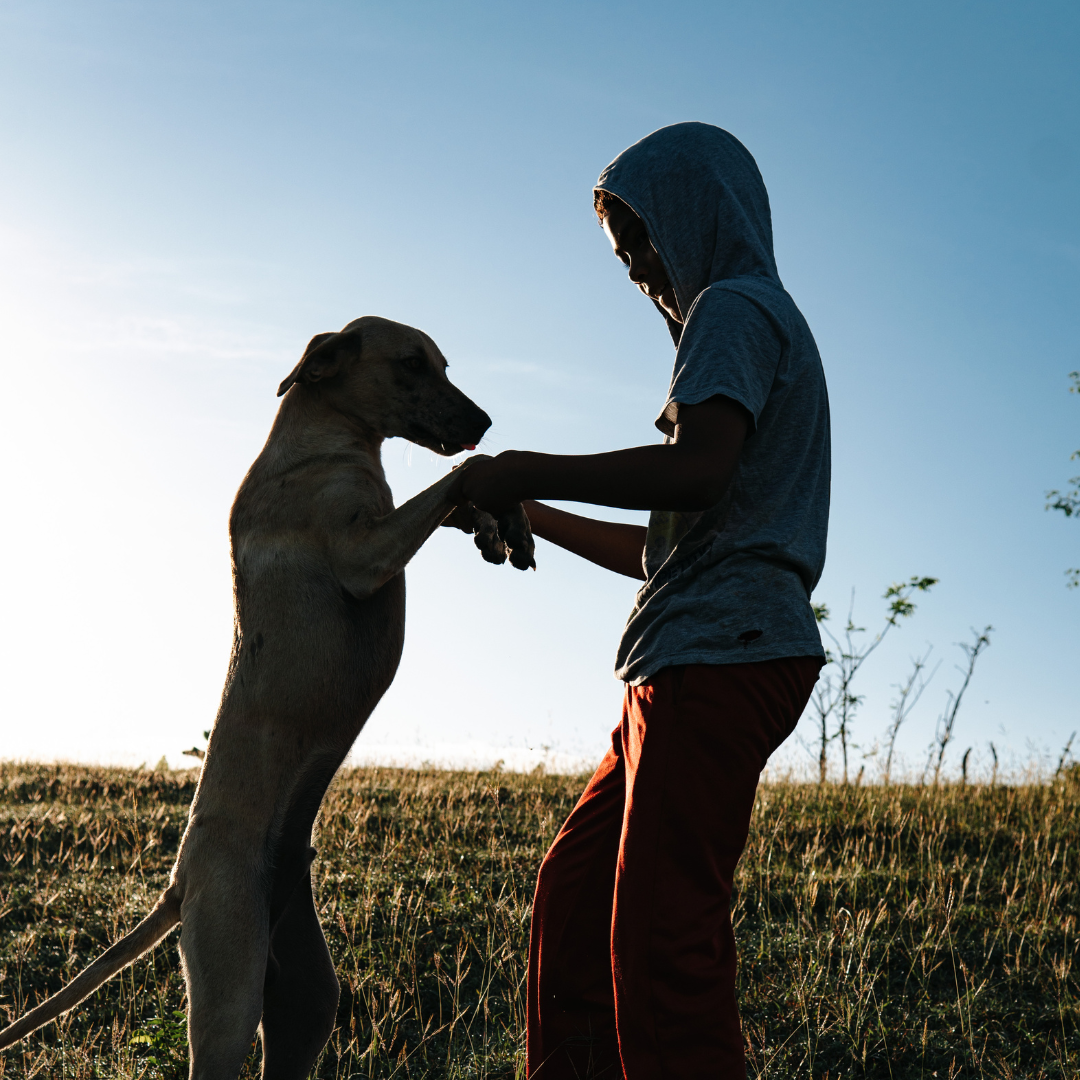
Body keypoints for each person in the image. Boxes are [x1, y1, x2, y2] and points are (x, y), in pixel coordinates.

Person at [457, 122, 831, 1079]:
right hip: (692, 649)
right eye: (625, 259)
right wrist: (531, 508)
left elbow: (697, 474)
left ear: (701, 216)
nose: (638, 276)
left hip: (720, 657)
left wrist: (525, 462)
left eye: (646, 245)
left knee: (662, 941)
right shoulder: (741, 327)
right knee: (575, 896)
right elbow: (662, 549)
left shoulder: (736, 311)